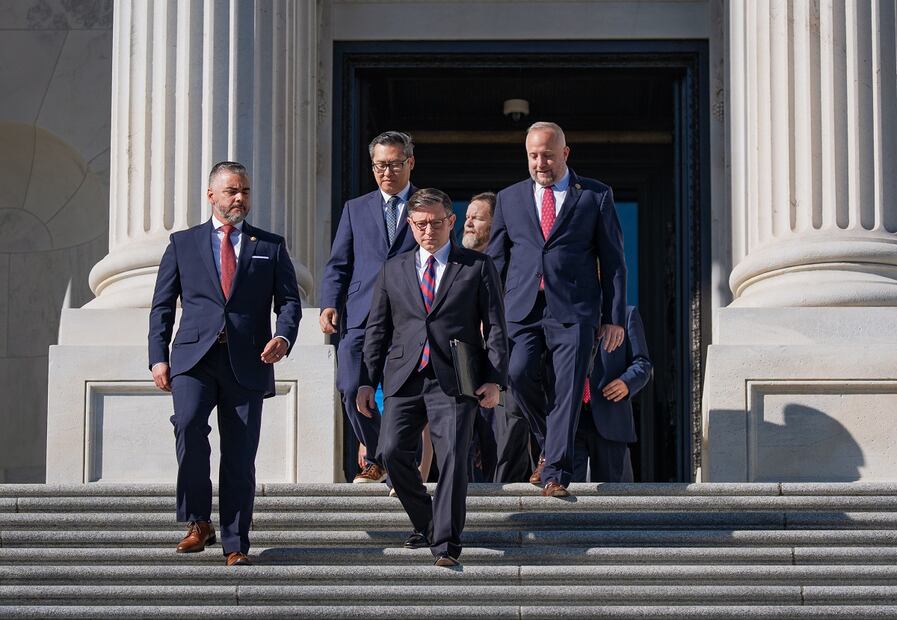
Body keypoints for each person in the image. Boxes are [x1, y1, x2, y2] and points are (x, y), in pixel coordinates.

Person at [148, 161, 302, 566]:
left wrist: (283, 337)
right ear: (211, 195)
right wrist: (157, 358)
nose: (240, 198)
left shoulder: (270, 245)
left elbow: (289, 301)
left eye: (246, 191)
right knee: (187, 426)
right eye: (232, 191)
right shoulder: (182, 243)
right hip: (193, 358)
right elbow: (162, 306)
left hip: (248, 361)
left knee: (239, 454)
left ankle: (236, 542)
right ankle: (199, 522)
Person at [357, 188, 508, 567]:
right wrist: (365, 380)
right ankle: (428, 521)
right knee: (391, 451)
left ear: (450, 222)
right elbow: (377, 328)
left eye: (436, 223)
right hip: (404, 377)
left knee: (454, 458)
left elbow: (496, 327)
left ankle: (446, 546)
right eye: (420, 224)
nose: (428, 230)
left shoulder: (475, 266)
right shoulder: (394, 269)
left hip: (456, 377)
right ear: (409, 224)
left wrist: (494, 378)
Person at [487, 121, 627, 497]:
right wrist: (486, 316)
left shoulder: (595, 196)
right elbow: (494, 263)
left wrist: (613, 318)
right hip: (522, 308)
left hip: (575, 310)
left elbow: (613, 261)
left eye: (547, 155)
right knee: (516, 375)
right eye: (533, 156)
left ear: (565, 153)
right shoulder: (510, 198)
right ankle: (550, 445)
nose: (540, 163)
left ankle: (556, 474)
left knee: (567, 389)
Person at [319, 131, 419, 483]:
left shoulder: (426, 205)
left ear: (410, 162)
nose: (386, 172)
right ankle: (378, 454)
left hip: (411, 316)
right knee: (350, 386)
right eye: (379, 166)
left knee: (401, 394)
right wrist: (329, 302)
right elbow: (338, 263)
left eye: (393, 164)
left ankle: (392, 463)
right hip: (361, 313)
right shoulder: (355, 208)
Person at [462, 192, 532, 483]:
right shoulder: (459, 265)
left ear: (495, 224)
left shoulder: (514, 269)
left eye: (476, 218)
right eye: (466, 217)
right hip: (467, 373)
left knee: (503, 451)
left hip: (504, 376)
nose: (467, 223)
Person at [573, 305, 652, 482]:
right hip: (572, 418)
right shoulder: (566, 311)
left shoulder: (627, 314)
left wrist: (627, 382)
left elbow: (642, 363)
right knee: (568, 492)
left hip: (610, 414)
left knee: (610, 496)